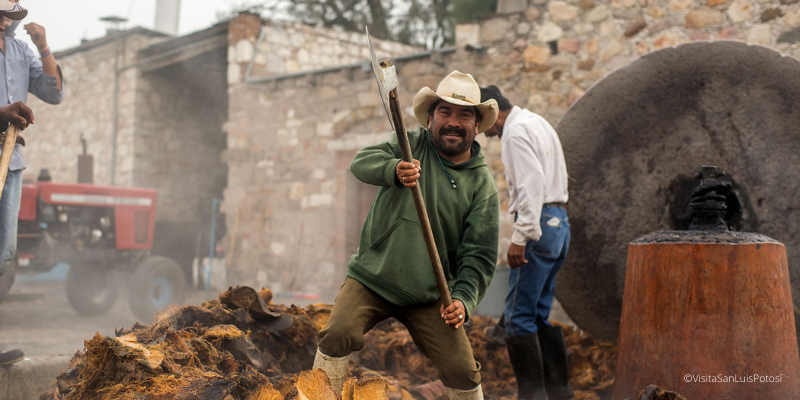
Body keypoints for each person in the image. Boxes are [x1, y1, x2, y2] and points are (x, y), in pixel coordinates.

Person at [313, 71, 500, 400]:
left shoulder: (482, 185)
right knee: (337, 334)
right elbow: (361, 162)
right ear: (431, 117)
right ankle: (316, 396)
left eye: (464, 114)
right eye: (445, 112)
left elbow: (479, 256)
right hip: (373, 277)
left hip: (431, 296)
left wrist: (462, 300)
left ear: (477, 124)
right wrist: (393, 170)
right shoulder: (410, 144)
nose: (453, 121)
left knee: (463, 371)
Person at [479, 85, 572, 400]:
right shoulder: (536, 122)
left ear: (492, 113)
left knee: (518, 317)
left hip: (538, 225)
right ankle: (559, 392)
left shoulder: (515, 134)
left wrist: (520, 238)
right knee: (537, 314)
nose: (483, 132)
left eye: (482, 122)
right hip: (559, 224)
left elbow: (533, 186)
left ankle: (532, 396)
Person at [0, 0, 62, 366]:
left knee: (3, 253)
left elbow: (54, 93)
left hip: (11, 161)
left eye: (9, 14)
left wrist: (43, 46)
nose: (5, 20)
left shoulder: (22, 50)